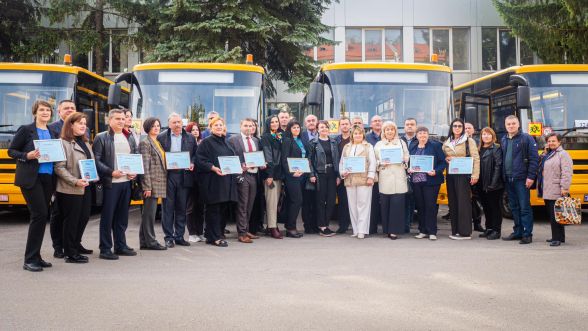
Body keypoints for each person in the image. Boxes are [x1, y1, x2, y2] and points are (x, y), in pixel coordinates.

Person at [9, 100, 59, 271]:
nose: (45, 113)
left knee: (41, 217)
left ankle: (36, 256)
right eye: (42, 110)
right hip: (31, 178)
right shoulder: (26, 130)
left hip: (48, 178)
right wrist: (27, 155)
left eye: (48, 110)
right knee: (39, 214)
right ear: (35, 112)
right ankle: (29, 259)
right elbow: (12, 151)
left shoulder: (52, 130)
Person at [93, 108, 138, 260]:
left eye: (123, 118)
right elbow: (96, 160)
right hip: (110, 183)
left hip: (126, 182)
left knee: (122, 217)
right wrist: (111, 172)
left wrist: (134, 171)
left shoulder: (129, 137)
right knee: (108, 217)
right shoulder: (101, 137)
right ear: (109, 120)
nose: (121, 121)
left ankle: (120, 245)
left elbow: (133, 157)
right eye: (117, 118)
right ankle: (105, 248)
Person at [53, 112, 94, 263]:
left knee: (83, 218)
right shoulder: (62, 143)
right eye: (80, 123)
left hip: (86, 186)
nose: (84, 126)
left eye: (85, 123)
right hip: (70, 187)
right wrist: (75, 181)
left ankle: (75, 245)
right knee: (71, 221)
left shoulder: (86, 142)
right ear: (70, 125)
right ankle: (70, 253)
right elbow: (59, 168)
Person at [196, 117, 238, 247]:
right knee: (214, 210)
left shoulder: (226, 142)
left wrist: (237, 166)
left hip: (226, 182)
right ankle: (215, 237)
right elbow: (200, 160)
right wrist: (213, 168)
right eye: (216, 125)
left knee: (222, 210)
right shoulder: (206, 142)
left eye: (221, 125)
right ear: (211, 127)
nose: (219, 127)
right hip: (213, 182)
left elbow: (232, 159)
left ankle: (213, 235)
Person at [157, 112, 197, 248]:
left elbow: (195, 155)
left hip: (184, 176)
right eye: (174, 122)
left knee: (181, 207)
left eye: (179, 122)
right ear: (169, 124)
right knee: (167, 208)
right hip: (168, 176)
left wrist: (192, 162)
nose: (177, 125)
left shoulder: (190, 138)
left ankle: (179, 236)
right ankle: (168, 237)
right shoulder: (161, 137)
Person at [501, 115, 539, 244]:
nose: (511, 126)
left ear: (518, 124)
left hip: (522, 179)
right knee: (514, 208)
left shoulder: (527, 138)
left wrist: (531, 177)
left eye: (513, 123)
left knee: (524, 207)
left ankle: (527, 234)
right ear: (505, 126)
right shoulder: (504, 139)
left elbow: (534, 159)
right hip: (508, 179)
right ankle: (517, 232)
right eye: (508, 124)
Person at [48, 99, 77, 259]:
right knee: (58, 214)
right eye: (66, 108)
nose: (69, 110)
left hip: (75, 178)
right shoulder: (52, 128)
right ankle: (58, 246)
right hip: (57, 178)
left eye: (72, 108)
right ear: (59, 111)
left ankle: (72, 244)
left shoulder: (81, 128)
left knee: (73, 215)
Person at [443, 118, 480, 240]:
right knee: (453, 203)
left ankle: (465, 233)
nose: (457, 128)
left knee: (463, 203)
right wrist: (446, 158)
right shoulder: (447, 142)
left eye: (460, 126)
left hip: (464, 175)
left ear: (463, 128)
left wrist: (475, 175)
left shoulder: (469, 141)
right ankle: (456, 230)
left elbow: (476, 158)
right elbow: (444, 156)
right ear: (451, 128)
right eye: (455, 126)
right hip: (451, 175)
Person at [228, 118, 263, 243]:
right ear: (241, 126)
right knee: (242, 205)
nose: (249, 128)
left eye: (251, 125)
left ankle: (246, 229)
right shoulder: (233, 140)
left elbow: (257, 156)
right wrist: (240, 165)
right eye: (246, 125)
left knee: (250, 205)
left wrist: (261, 163)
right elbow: (230, 157)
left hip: (254, 174)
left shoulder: (255, 140)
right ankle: (241, 233)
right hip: (242, 175)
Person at [339, 125, 376, 239]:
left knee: (363, 205)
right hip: (350, 179)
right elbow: (342, 162)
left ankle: (362, 230)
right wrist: (342, 172)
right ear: (352, 135)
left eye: (360, 133)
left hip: (364, 179)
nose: (357, 135)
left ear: (363, 135)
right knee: (352, 205)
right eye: (355, 133)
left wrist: (370, 176)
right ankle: (355, 230)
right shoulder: (347, 147)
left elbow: (372, 162)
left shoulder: (368, 146)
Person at [409, 127, 446, 240]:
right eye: (420, 133)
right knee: (420, 207)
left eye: (425, 133)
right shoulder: (413, 146)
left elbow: (443, 162)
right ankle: (422, 230)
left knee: (430, 206)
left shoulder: (435, 145)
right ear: (416, 135)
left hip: (431, 181)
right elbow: (409, 161)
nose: (422, 135)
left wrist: (436, 171)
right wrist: (409, 169)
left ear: (428, 135)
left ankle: (432, 231)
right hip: (416, 181)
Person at [375, 121, 409, 239]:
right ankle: (386, 230)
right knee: (385, 205)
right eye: (387, 129)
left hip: (399, 176)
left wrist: (404, 161)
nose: (389, 131)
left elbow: (407, 157)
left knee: (397, 204)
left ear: (395, 131)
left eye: (392, 129)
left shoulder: (401, 142)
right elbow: (374, 160)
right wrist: (381, 163)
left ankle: (394, 230)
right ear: (384, 132)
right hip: (385, 176)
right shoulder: (379, 144)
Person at [138, 117, 168, 251]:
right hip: (152, 184)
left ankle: (144, 241)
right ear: (147, 128)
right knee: (149, 214)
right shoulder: (145, 143)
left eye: (158, 126)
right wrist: (147, 187)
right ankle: (151, 241)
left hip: (158, 182)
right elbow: (145, 166)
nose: (156, 128)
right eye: (153, 126)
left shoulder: (157, 142)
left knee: (147, 214)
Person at [538, 133, 573, 247]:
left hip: (557, 188)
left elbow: (567, 173)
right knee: (556, 214)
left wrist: (565, 188)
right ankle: (560, 237)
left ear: (559, 142)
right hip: (548, 188)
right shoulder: (549, 154)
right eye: (549, 141)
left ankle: (556, 238)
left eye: (553, 141)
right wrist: (545, 152)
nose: (551, 143)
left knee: (555, 216)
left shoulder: (563, 154)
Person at [308, 120, 340, 237]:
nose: (324, 129)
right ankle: (322, 226)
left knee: (331, 200)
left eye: (326, 127)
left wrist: (338, 175)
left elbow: (337, 159)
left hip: (332, 173)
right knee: (321, 201)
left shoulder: (333, 141)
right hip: (320, 174)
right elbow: (309, 160)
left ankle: (326, 224)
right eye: (321, 127)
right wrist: (311, 174)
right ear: (317, 129)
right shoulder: (313, 143)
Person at [280, 120, 307, 238]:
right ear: (289, 129)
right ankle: (290, 228)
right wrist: (292, 173)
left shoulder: (301, 140)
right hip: (292, 176)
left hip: (302, 174)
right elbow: (284, 160)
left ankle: (289, 225)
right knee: (297, 201)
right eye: (294, 127)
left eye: (298, 127)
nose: (296, 129)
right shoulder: (287, 141)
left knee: (295, 201)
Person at [476, 127, 504, 240]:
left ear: (493, 136)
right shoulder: (479, 149)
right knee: (486, 207)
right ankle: (489, 228)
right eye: (484, 134)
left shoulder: (496, 148)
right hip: (481, 183)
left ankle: (496, 230)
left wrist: (493, 183)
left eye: (488, 134)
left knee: (495, 208)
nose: (486, 136)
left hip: (493, 184)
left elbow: (498, 166)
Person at [261, 115, 284, 239]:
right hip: (271, 175)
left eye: (276, 122)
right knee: (271, 203)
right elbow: (268, 157)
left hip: (280, 174)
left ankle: (273, 224)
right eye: (272, 122)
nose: (275, 124)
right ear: (268, 124)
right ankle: (272, 227)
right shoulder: (266, 137)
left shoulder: (280, 135)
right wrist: (269, 175)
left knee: (276, 203)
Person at [185, 122, 205, 243]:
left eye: (197, 130)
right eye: (192, 130)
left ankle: (200, 232)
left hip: (202, 180)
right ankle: (192, 233)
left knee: (200, 207)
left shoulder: (203, 143)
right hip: (190, 179)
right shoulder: (187, 144)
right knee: (191, 207)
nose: (195, 132)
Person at [465, 122, 484, 232]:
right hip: (464, 174)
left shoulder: (478, 142)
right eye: (465, 128)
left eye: (469, 128)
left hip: (476, 174)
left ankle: (477, 223)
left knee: (476, 200)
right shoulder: (460, 141)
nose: (467, 130)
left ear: (473, 130)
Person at [301, 114, 318, 233]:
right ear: (305, 123)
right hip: (305, 173)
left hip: (320, 173)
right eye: (308, 121)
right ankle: (307, 225)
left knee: (318, 200)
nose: (311, 122)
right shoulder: (301, 136)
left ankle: (316, 224)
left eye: (313, 120)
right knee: (306, 201)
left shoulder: (323, 133)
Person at [401, 117, 418, 233]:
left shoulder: (421, 139)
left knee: (413, 200)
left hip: (417, 174)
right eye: (407, 124)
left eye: (412, 124)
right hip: (401, 174)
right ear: (404, 127)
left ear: (416, 127)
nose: (410, 126)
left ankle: (409, 223)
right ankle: (404, 224)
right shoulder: (399, 140)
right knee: (403, 200)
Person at [249, 119, 266, 235]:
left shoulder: (258, 140)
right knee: (250, 202)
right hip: (249, 173)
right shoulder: (245, 141)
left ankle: (257, 225)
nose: (253, 128)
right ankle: (250, 228)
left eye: (255, 126)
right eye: (251, 126)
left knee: (259, 202)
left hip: (259, 174)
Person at [335, 117, 352, 233]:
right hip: (341, 175)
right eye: (342, 124)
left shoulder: (355, 138)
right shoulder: (336, 140)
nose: (345, 126)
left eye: (346, 124)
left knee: (355, 201)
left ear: (350, 125)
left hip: (355, 174)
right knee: (343, 201)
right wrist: (338, 175)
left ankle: (356, 225)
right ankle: (343, 225)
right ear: (339, 126)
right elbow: (335, 158)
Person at [366, 115, 383, 234]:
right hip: (373, 174)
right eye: (375, 121)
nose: (377, 123)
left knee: (386, 200)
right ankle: (372, 228)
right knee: (372, 201)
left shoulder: (388, 135)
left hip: (386, 174)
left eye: (379, 121)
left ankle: (386, 227)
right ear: (371, 124)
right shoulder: (366, 138)